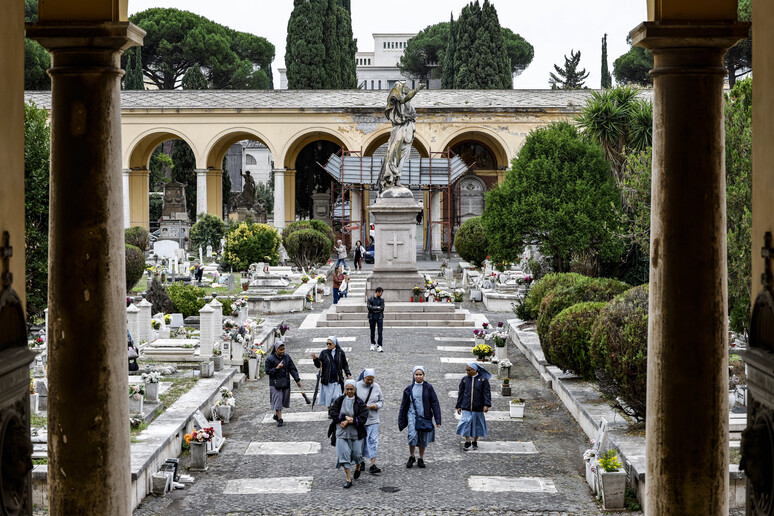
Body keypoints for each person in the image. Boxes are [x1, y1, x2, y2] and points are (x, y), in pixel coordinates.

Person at [398, 366, 441, 469]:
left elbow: (435, 403)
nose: (418, 376)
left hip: (425, 416)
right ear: (413, 375)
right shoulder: (409, 388)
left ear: (424, 375)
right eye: (416, 374)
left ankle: (421, 458)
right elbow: (403, 405)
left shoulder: (428, 387)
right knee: (412, 436)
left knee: (423, 437)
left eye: (420, 374)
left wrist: (437, 419)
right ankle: (412, 456)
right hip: (412, 415)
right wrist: (401, 420)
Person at [329, 379, 369, 488]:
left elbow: (363, 417)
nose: (350, 391)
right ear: (344, 389)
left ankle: (358, 465)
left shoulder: (360, 402)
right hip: (341, 432)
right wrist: (343, 418)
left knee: (356, 454)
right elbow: (333, 412)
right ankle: (348, 478)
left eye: (351, 389)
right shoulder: (339, 400)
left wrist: (352, 420)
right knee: (343, 454)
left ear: (355, 390)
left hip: (356, 433)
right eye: (347, 389)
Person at [264, 340, 302, 427]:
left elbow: (292, 368)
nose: (282, 351)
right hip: (275, 383)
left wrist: (297, 380)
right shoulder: (270, 358)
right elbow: (268, 371)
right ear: (276, 349)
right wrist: (276, 368)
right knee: (278, 401)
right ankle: (280, 419)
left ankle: (276, 415)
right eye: (280, 350)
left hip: (285, 382)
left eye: (283, 349)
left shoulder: (287, 357)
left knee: (283, 400)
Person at [455, 362, 492, 450]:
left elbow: (487, 393)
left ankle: (475, 441)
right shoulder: (464, 380)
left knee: (477, 425)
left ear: (474, 370)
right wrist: (459, 405)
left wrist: (486, 405)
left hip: (478, 407)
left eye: (468, 370)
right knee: (466, 422)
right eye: (466, 370)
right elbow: (461, 393)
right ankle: (467, 441)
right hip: (466, 406)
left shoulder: (483, 380)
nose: (467, 372)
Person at [356, 369, 384, 474]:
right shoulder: (357, 386)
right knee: (361, 442)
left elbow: (381, 401)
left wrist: (375, 406)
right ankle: (361, 461)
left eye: (372, 380)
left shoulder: (376, 387)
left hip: (373, 419)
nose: (370, 382)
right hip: (361, 420)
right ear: (364, 378)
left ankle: (373, 464)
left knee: (373, 441)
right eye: (368, 379)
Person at [312, 337, 351, 409]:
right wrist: (315, 359)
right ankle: (330, 411)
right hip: (328, 379)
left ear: (334, 344)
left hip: (337, 379)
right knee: (328, 397)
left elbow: (345, 364)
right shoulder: (324, 353)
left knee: (337, 396)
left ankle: (335, 410)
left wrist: (347, 373)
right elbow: (319, 365)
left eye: (330, 344)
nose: (328, 345)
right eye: (327, 343)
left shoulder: (340, 352)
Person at [367, 287, 384, 352]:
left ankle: (379, 345)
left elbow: (382, 308)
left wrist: (373, 308)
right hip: (372, 317)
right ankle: (372, 343)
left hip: (379, 317)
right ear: (377, 292)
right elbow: (369, 307)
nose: (381, 294)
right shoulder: (370, 299)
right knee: (372, 331)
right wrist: (377, 307)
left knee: (380, 332)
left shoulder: (382, 300)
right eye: (381, 293)